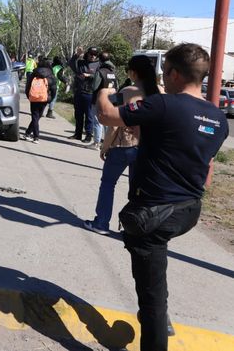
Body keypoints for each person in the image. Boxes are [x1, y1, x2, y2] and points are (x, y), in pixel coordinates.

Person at [96, 43, 227, 351]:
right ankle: (157, 312)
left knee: (151, 296)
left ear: (174, 73)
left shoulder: (165, 105)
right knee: (154, 272)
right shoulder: (219, 120)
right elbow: (193, 156)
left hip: (154, 212)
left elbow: (106, 115)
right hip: (188, 210)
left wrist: (105, 88)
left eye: (165, 71)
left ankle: (157, 322)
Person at [83, 55, 159, 235]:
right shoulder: (159, 93)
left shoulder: (125, 92)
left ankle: (101, 222)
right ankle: (133, 227)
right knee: (137, 191)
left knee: (108, 184)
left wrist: (105, 146)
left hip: (123, 145)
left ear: (133, 72)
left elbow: (112, 121)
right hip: (146, 149)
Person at [68, 46, 100, 143]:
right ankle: (78, 134)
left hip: (90, 93)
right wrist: (77, 55)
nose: (93, 56)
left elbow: (99, 76)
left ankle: (88, 135)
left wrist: (89, 75)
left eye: (95, 54)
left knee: (89, 115)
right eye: (91, 54)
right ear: (87, 54)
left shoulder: (98, 65)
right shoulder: (81, 62)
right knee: (78, 114)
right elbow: (71, 64)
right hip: (79, 91)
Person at [22, 57, 57, 143]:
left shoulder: (34, 73)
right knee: (37, 117)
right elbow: (54, 89)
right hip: (44, 99)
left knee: (35, 117)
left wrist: (29, 96)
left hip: (34, 98)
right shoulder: (50, 75)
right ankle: (34, 136)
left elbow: (28, 87)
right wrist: (50, 99)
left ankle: (31, 135)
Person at [88, 52, 119, 150]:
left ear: (100, 60)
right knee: (107, 122)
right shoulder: (113, 72)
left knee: (97, 121)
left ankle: (96, 143)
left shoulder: (100, 71)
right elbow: (117, 86)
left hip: (99, 99)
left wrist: (90, 79)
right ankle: (107, 142)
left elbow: (94, 87)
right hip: (111, 99)